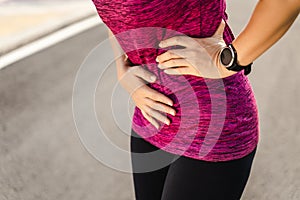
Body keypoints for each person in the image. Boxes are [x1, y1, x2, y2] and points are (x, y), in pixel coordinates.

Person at [91, 0, 300, 199]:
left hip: (212, 126)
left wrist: (227, 60)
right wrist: (123, 67)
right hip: (150, 118)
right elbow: (117, 13)